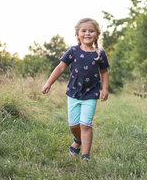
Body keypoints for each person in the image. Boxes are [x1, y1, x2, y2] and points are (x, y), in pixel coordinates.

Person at [41, 18, 110, 161]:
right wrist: (49, 83)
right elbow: (60, 67)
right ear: (77, 34)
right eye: (83, 31)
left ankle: (85, 156)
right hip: (73, 92)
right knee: (73, 125)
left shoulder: (99, 53)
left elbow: (104, 71)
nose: (87, 34)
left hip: (91, 94)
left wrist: (104, 89)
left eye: (91, 31)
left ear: (97, 34)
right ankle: (77, 140)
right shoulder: (73, 51)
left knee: (85, 124)